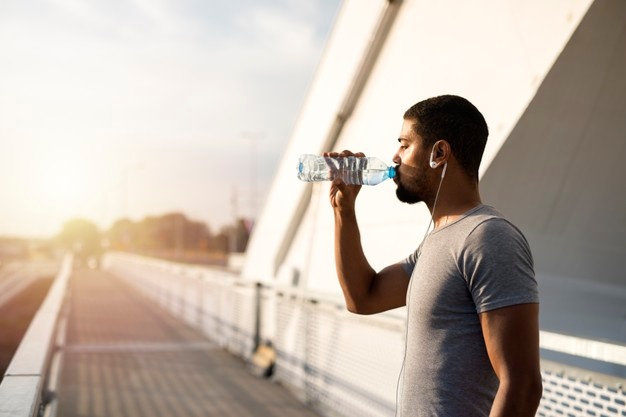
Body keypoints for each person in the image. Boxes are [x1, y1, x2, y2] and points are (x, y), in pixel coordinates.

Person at [324, 95, 542, 417]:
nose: (394, 158)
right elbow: (363, 297)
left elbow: (522, 385)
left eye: (404, 144)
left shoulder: (488, 238)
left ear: (438, 153)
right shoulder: (435, 243)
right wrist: (344, 209)